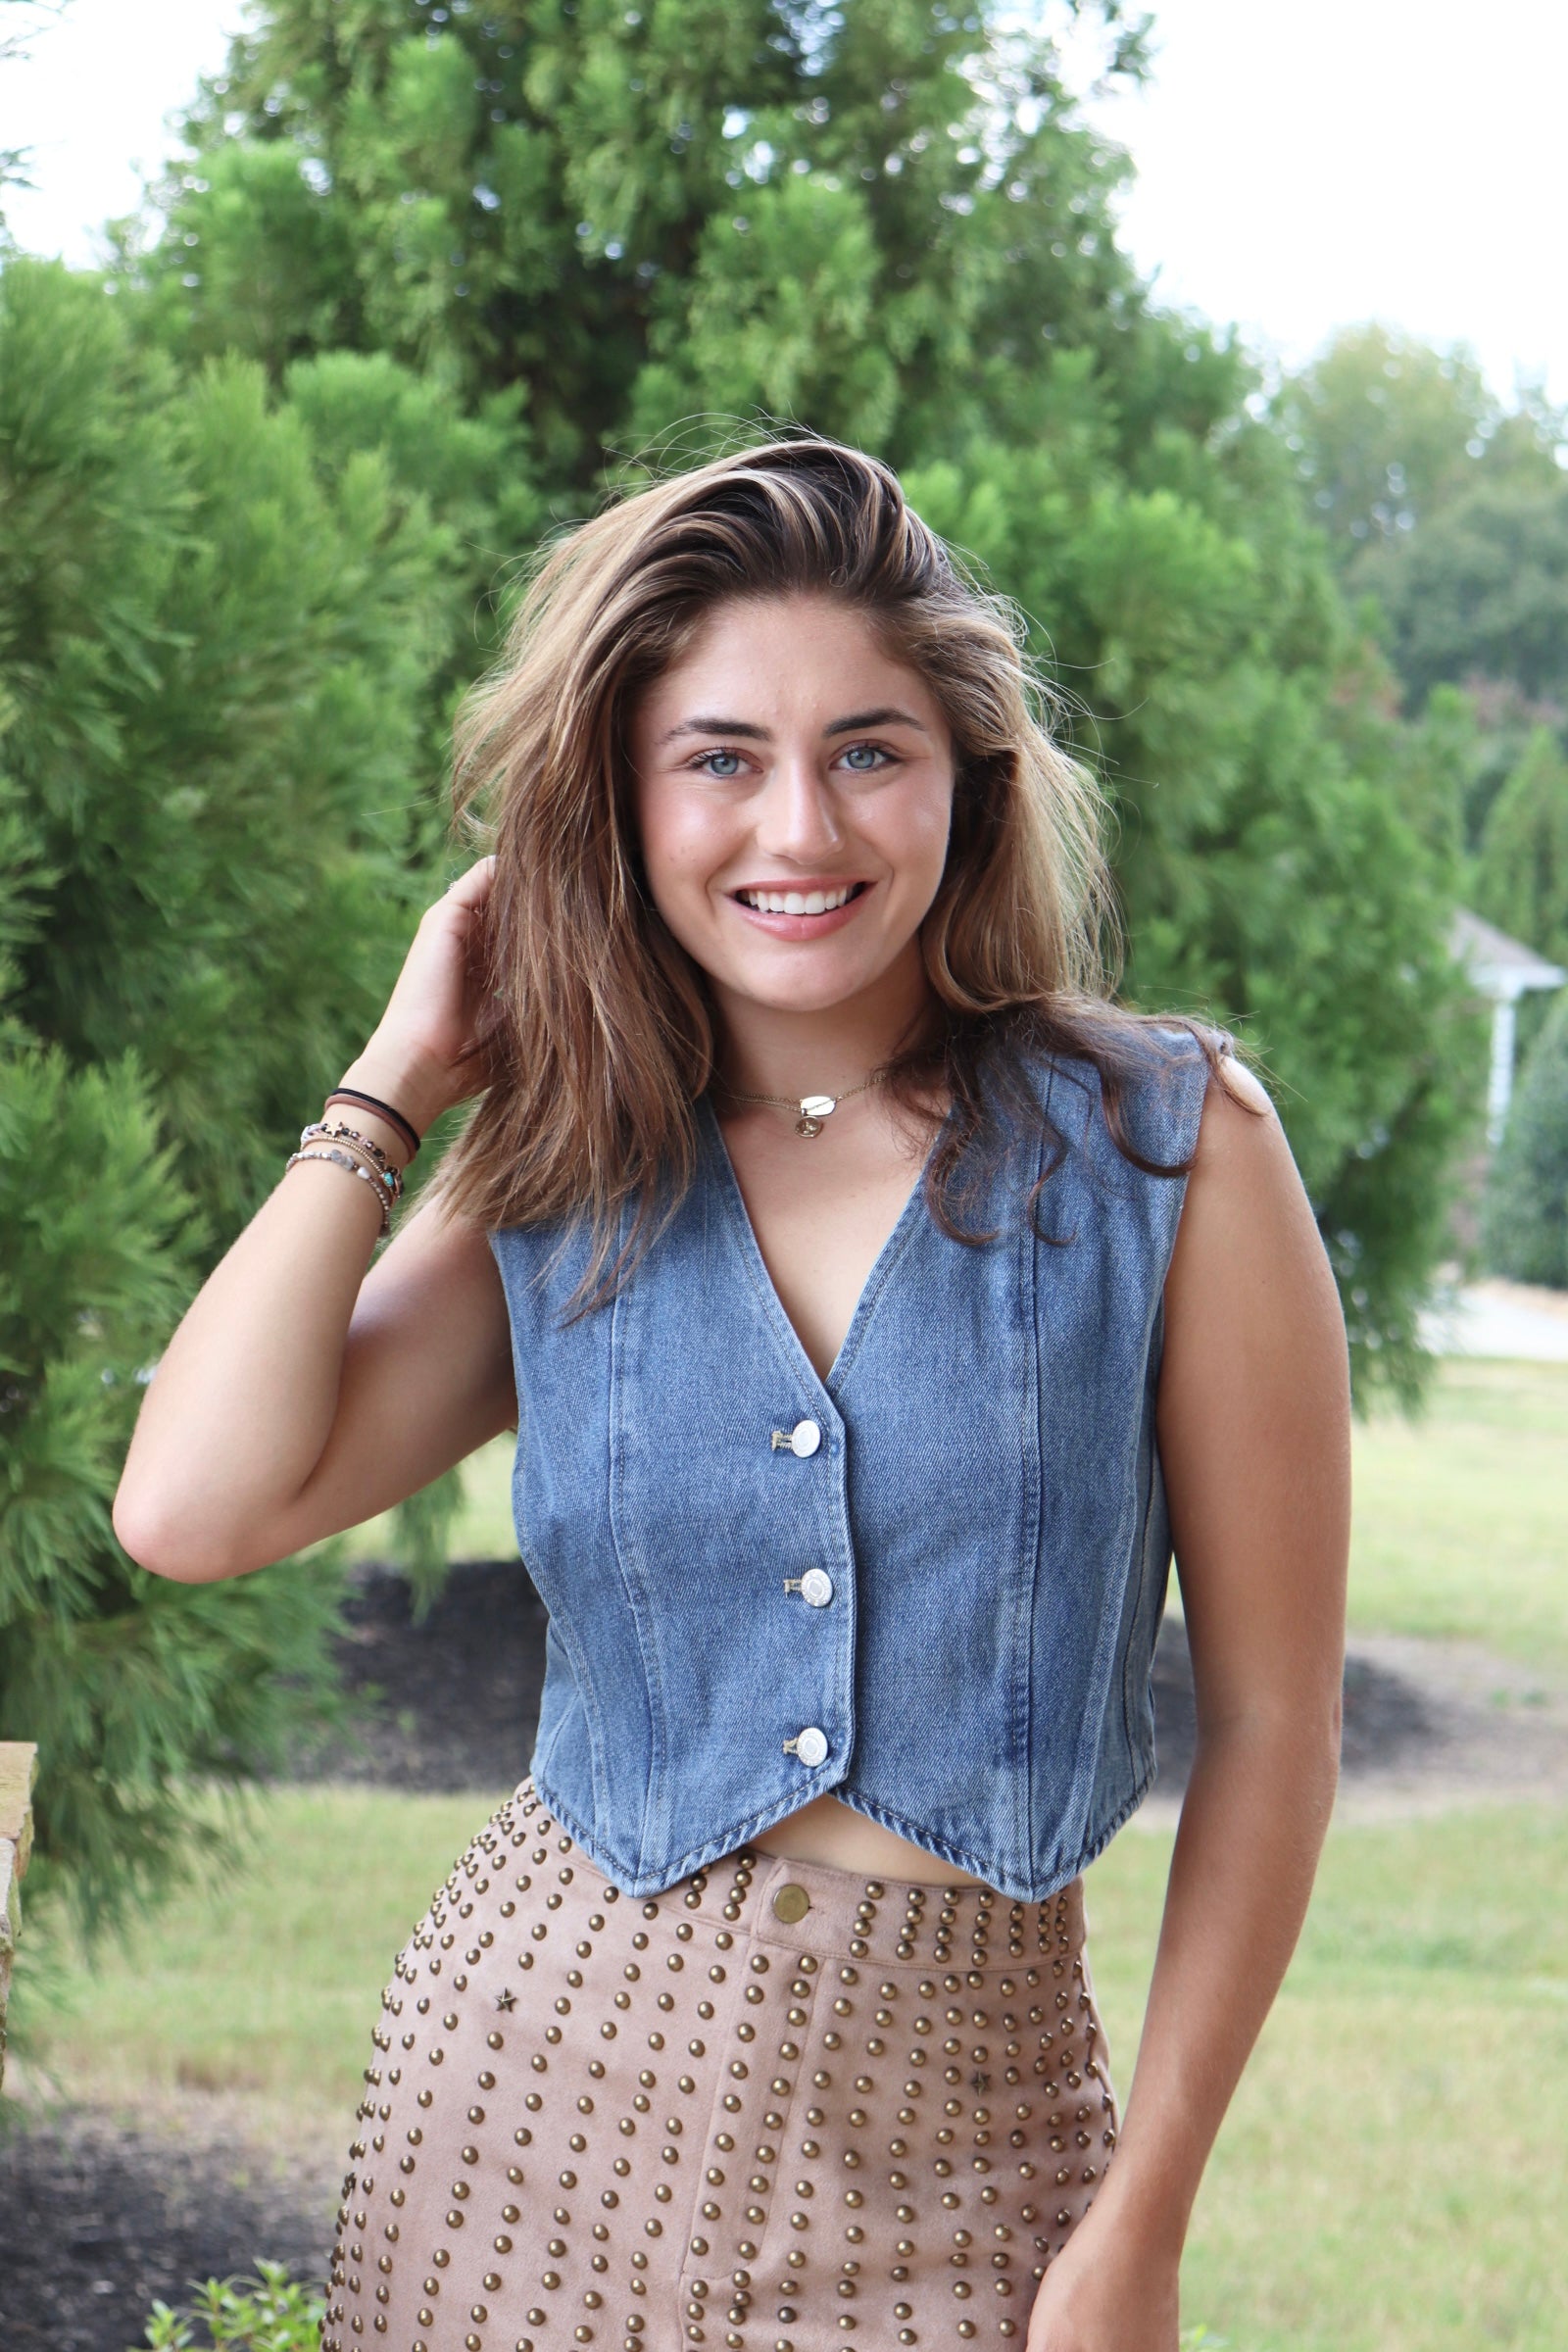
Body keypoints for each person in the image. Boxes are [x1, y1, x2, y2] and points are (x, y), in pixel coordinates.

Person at [114, 434, 1350, 2352]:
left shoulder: (1161, 1151)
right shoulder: (564, 1168)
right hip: (514, 2124)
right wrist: (399, 1076)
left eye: (867, 750)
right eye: (718, 757)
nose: (799, 827)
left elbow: (1271, 1722)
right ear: (618, 798)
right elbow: (193, 1511)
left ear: (969, 780)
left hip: (959, 2162)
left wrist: (1140, 2219)